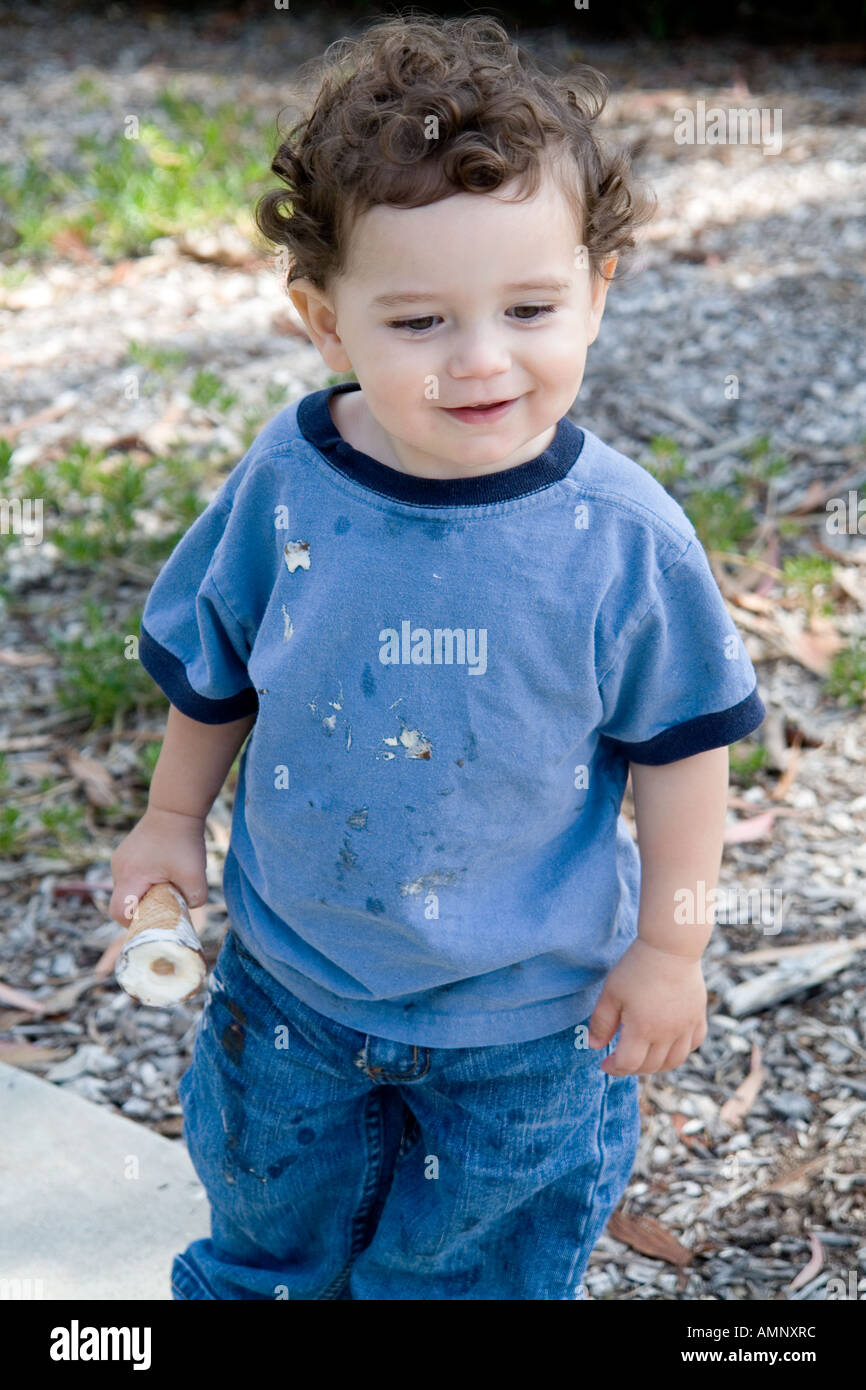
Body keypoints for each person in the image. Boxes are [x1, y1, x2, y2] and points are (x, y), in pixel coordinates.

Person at [110, 13, 765, 1300]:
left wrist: (671, 950)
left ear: (596, 292)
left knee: (473, 1273)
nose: (480, 360)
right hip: (287, 992)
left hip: (523, 1028)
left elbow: (681, 756)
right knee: (267, 1241)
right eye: (417, 321)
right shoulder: (289, 482)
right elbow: (219, 667)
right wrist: (169, 819)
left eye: (528, 308)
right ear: (325, 319)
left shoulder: (621, 541)